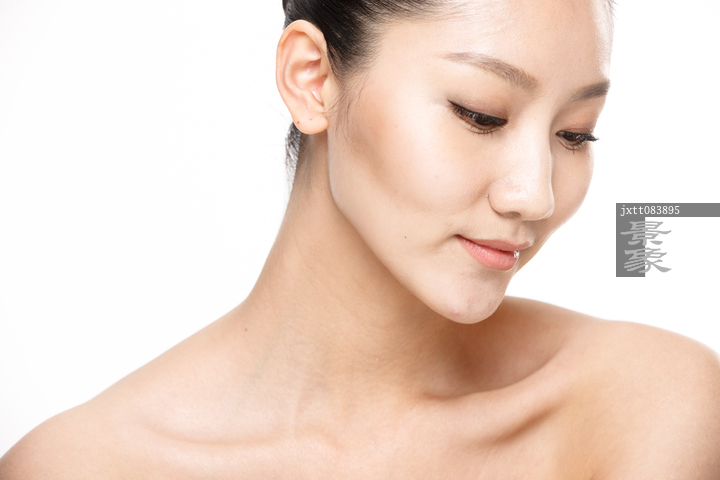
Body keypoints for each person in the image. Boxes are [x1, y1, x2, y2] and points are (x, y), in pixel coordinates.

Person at [2, 0, 719, 478]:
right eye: (480, 114)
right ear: (312, 79)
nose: (537, 194)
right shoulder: (78, 468)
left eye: (575, 134)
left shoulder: (647, 408)